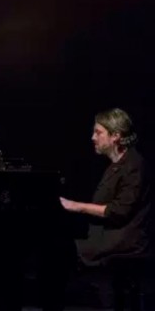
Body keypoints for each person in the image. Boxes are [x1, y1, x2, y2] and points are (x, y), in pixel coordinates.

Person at [60, 108, 152, 267]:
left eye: (98, 132)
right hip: (107, 235)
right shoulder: (116, 165)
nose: (93, 137)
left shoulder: (133, 165)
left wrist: (76, 206)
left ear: (116, 136)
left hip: (123, 242)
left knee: (59, 251)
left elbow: (119, 211)